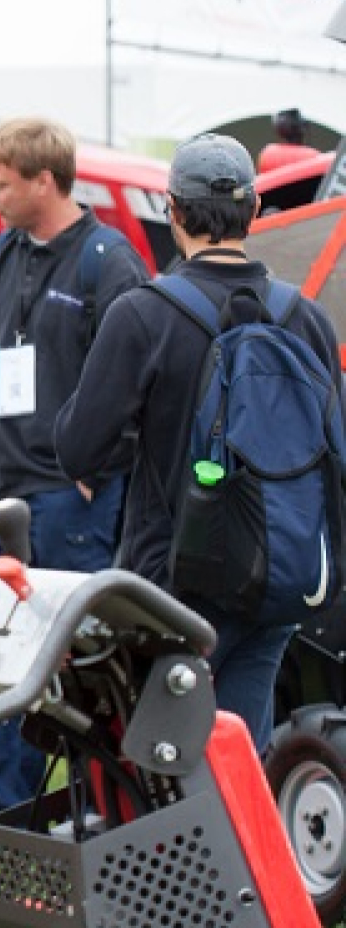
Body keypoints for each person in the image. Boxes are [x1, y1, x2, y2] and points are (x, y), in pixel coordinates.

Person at [56, 135, 340, 751]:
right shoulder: (306, 318)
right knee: (241, 761)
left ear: (173, 211)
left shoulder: (143, 314)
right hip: (278, 575)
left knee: (165, 769)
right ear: (255, 212)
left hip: (173, 586)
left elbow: (78, 449)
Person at [0, 116, 147, 832]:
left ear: (45, 181)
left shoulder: (108, 261)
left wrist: (97, 471)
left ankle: (87, 808)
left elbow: (135, 378)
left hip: (68, 500)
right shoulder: (1, 257)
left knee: (74, 662)